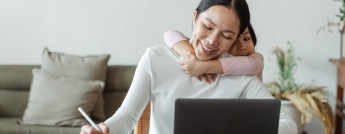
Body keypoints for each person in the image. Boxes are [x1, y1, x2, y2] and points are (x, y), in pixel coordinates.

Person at [80, 0, 297, 134]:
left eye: (226, 36)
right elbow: (127, 117)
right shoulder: (156, 59)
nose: (212, 41)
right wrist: (103, 129)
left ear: (235, 40)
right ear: (195, 18)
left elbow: (289, 125)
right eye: (207, 26)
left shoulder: (242, 76)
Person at [163, 23, 263, 83]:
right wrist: (192, 58)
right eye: (234, 42)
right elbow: (170, 34)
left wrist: (203, 66)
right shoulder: (219, 56)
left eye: (247, 39)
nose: (242, 47)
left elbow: (251, 65)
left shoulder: (256, 59)